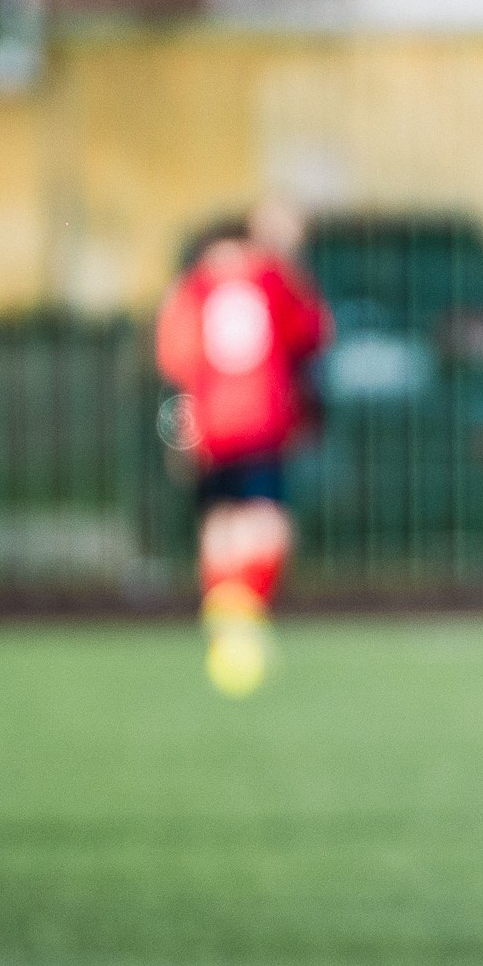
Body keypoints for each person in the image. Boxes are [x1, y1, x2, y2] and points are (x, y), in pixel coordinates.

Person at [155, 203, 330, 696]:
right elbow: (313, 329)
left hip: (210, 423)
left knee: (221, 521)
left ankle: (224, 615)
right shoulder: (272, 276)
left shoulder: (193, 286)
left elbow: (175, 355)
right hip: (261, 418)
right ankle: (245, 615)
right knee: (267, 522)